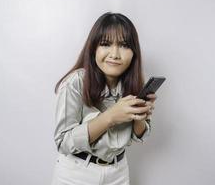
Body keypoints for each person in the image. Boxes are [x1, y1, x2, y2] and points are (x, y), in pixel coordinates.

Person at [51, 12, 157, 185]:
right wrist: (110, 117)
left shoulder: (132, 85)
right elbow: (63, 142)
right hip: (76, 173)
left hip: (118, 172)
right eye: (106, 44)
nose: (114, 54)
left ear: (134, 52)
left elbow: (137, 136)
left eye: (123, 45)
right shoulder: (75, 82)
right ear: (93, 48)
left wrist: (140, 117)